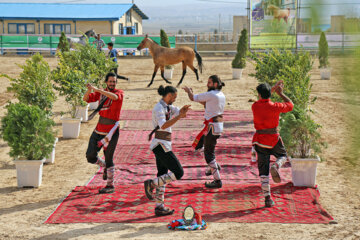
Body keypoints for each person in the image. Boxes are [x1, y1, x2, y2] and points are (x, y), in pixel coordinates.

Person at [144, 85, 191, 216]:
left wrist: (183, 111)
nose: (175, 99)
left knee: (162, 175)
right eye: (174, 97)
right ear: (169, 96)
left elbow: (178, 112)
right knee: (178, 172)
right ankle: (151, 184)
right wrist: (179, 117)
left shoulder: (168, 107)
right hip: (160, 144)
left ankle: (159, 206)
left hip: (164, 144)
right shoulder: (158, 108)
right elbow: (164, 125)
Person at [252, 80, 293, 207]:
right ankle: (276, 165)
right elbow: (290, 105)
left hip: (260, 140)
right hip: (273, 139)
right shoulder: (276, 106)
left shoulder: (255, 106)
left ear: (259, 94)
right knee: (283, 156)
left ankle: (268, 199)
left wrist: (272, 89)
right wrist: (281, 93)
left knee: (263, 172)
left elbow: (262, 100)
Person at [83, 72, 124, 194]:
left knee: (109, 158)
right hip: (99, 129)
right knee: (90, 156)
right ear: (106, 82)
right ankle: (105, 166)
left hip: (111, 132)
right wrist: (90, 90)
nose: (112, 83)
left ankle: (110, 185)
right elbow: (86, 99)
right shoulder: (100, 93)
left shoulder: (119, 92)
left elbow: (115, 98)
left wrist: (98, 90)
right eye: (110, 81)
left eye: (114, 82)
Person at [183, 75, 225, 189]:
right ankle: (212, 167)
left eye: (209, 82)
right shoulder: (220, 95)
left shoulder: (210, 94)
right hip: (216, 126)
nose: (207, 84)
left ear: (215, 84)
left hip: (211, 126)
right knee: (199, 145)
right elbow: (207, 104)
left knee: (209, 154)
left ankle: (217, 180)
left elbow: (192, 98)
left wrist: (189, 91)